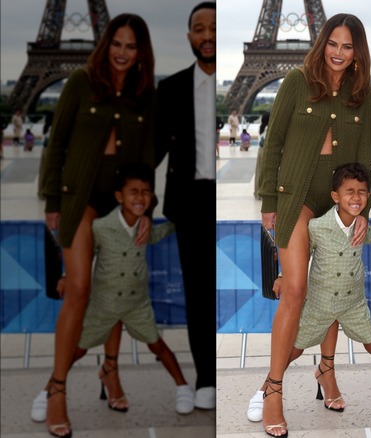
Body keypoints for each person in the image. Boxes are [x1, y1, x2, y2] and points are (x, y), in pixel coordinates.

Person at [253, 13, 371, 437]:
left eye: (348, 46)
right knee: (295, 290)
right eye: (333, 44)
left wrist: (363, 207)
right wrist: (269, 200)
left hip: (339, 200)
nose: (339, 53)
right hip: (298, 196)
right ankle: (273, 388)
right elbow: (273, 143)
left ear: (357, 52)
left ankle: (326, 370)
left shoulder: (363, 93)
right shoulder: (296, 81)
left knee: (332, 285)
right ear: (322, 44)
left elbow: (362, 155)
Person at [37, 13, 157, 437]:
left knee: (115, 286)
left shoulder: (144, 94)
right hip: (80, 198)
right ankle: (57, 387)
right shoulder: (80, 83)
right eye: (117, 44)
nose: (122, 53)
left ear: (140, 52)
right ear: (106, 45)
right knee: (80, 290)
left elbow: (146, 158)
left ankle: (110, 369)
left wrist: (147, 208)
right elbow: (57, 143)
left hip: (122, 202)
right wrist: (52, 201)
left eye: (131, 46)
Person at [58, 164, 195, 416]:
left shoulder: (145, 228)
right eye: (133, 191)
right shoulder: (101, 227)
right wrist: (66, 275)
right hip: (104, 304)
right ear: (119, 196)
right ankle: (52, 389)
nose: (140, 197)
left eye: (146, 192)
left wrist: (182, 221)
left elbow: (160, 233)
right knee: (78, 349)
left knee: (158, 345)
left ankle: (183, 386)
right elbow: (83, 255)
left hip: (137, 304)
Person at [285, 163, 371, 417]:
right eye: (349, 192)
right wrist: (281, 275)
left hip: (353, 303)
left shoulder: (360, 227)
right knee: (294, 349)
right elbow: (300, 255)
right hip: (320, 303)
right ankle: (267, 388)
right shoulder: (317, 227)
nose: (356, 197)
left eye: (362, 192)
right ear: (335, 196)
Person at [155, 1, 217, 411]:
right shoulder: (171, 89)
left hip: (222, 198)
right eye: (199, 28)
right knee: (197, 294)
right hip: (190, 201)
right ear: (190, 36)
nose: (207, 35)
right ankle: (205, 377)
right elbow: (153, 149)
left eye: (214, 26)